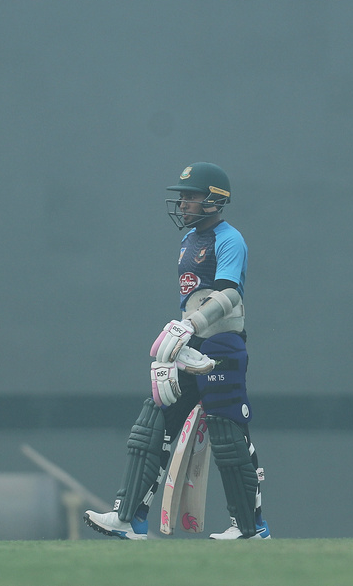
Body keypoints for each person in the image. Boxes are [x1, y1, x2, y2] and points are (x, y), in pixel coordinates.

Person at [84, 162, 270, 540]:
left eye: (190, 196)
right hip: (191, 344)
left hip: (222, 344)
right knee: (153, 423)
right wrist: (184, 334)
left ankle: (250, 528)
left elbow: (229, 294)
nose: (183, 203)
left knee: (228, 433)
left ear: (213, 200)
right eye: (182, 196)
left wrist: (192, 326)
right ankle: (129, 517)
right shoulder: (188, 241)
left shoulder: (229, 239)